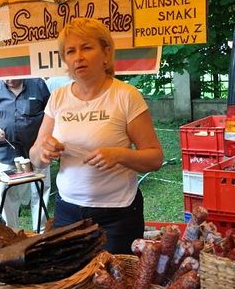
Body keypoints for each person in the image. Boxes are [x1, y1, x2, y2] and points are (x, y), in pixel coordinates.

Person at [30, 18, 164, 254]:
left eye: (87, 47)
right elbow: (34, 156)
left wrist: (120, 155)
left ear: (106, 53)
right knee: (69, 284)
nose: (78, 56)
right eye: (70, 51)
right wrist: (43, 151)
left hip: (117, 215)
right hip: (67, 212)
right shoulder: (58, 98)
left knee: (113, 285)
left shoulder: (126, 96)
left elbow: (154, 158)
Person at [0, 78, 51, 230]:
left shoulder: (38, 84)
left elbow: (51, 114)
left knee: (40, 192)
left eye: (13, 76)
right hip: (7, 153)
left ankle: (41, 232)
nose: (9, 80)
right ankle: (11, 232)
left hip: (38, 151)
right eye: (5, 78)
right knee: (8, 195)